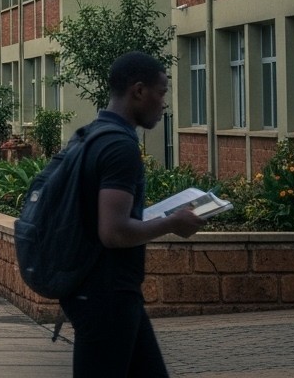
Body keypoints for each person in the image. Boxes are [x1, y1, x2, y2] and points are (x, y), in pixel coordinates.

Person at [62, 51, 205, 378]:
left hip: (104, 290)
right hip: (106, 295)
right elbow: (113, 232)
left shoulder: (90, 135)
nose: (163, 101)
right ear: (138, 91)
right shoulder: (119, 146)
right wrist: (173, 222)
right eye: (162, 91)